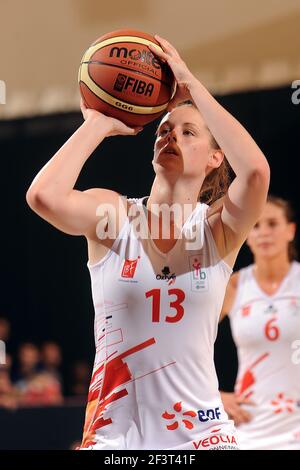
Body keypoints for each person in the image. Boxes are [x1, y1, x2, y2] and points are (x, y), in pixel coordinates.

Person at [26, 35, 270, 450]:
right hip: (113, 436)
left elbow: (256, 174)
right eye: (164, 128)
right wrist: (98, 123)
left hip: (200, 435)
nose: (170, 135)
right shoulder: (114, 216)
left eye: (188, 131)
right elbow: (43, 196)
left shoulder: (216, 230)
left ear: (215, 158)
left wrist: (192, 87)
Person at [219, 196, 300, 449]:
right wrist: (215, 395)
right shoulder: (232, 285)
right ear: (246, 235)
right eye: (255, 225)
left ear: (290, 230)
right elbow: (186, 344)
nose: (264, 232)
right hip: (248, 426)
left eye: (273, 224)